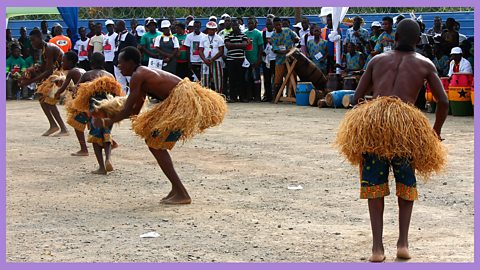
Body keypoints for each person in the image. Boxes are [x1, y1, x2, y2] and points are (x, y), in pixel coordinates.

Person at [336, 19, 448, 263]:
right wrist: (435, 130)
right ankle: (403, 244)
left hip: (374, 126)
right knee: (406, 184)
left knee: (374, 186)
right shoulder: (426, 64)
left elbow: (356, 98)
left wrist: (368, 119)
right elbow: (444, 101)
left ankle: (377, 249)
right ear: (418, 41)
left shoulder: (376, 60)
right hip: (405, 129)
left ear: (394, 37)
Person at [92, 46, 227, 204]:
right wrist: (107, 111)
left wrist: (109, 121)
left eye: (121, 63)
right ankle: (176, 189)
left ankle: (182, 193)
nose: (118, 66)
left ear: (130, 62)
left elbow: (128, 108)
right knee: (154, 143)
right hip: (181, 103)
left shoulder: (138, 74)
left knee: (156, 145)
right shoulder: (141, 76)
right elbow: (135, 110)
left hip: (184, 104)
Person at [69, 53, 120, 174]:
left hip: (94, 110)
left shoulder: (88, 74)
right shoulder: (110, 75)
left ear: (91, 63)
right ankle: (108, 158)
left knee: (96, 137)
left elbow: (76, 90)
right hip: (109, 108)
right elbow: (117, 93)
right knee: (106, 133)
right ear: (103, 63)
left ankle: (102, 167)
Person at [19, 29, 68, 136]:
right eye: (30, 41)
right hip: (56, 74)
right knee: (42, 97)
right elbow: (43, 67)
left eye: (33, 40)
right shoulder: (44, 51)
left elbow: (49, 71)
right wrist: (30, 71)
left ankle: (64, 129)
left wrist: (29, 82)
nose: (32, 44)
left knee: (48, 99)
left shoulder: (49, 48)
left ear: (40, 38)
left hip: (63, 74)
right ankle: (53, 125)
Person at [52, 51, 87, 155]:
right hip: (86, 99)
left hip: (81, 102)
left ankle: (84, 149)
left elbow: (62, 88)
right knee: (95, 124)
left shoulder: (72, 72)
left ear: (71, 62)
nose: (62, 64)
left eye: (64, 61)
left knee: (77, 124)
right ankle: (109, 142)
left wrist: (56, 94)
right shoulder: (82, 70)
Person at [271, 17, 299, 99]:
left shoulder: (288, 30)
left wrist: (296, 39)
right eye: (276, 25)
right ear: (274, 25)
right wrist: (286, 52)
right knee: (277, 80)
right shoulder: (273, 36)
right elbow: (275, 50)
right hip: (280, 60)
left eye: (279, 24)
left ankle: (293, 96)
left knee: (293, 77)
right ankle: (276, 97)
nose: (278, 26)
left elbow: (296, 38)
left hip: (291, 60)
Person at [224, 20, 248, 102]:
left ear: (238, 26)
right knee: (232, 79)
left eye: (236, 26)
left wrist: (233, 45)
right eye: (233, 26)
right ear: (231, 27)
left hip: (240, 59)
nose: (235, 27)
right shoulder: (227, 35)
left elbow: (245, 45)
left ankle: (242, 97)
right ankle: (233, 97)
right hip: (230, 60)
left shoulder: (243, 35)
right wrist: (239, 45)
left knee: (241, 79)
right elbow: (227, 46)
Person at [199, 21, 224, 93]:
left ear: (216, 30)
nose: (211, 31)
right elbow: (200, 50)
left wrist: (212, 59)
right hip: (205, 62)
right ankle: (205, 97)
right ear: (207, 29)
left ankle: (219, 95)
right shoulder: (203, 38)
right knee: (204, 79)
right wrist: (204, 59)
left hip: (216, 61)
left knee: (218, 79)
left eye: (213, 29)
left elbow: (221, 51)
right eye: (210, 29)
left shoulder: (219, 38)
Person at [113, 20, 137, 93]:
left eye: (117, 25)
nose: (115, 27)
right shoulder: (117, 37)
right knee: (120, 84)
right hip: (117, 63)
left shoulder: (130, 37)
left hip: (127, 64)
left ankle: (129, 98)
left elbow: (133, 50)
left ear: (121, 26)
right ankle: (122, 99)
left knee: (131, 82)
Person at [245, 17, 264, 102]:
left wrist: (258, 60)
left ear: (255, 24)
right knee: (247, 79)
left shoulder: (258, 34)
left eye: (252, 23)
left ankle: (257, 97)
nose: (250, 25)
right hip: (246, 61)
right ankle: (249, 96)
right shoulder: (244, 33)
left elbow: (260, 47)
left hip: (255, 60)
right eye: (249, 23)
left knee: (257, 79)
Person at [261, 18, 276, 102]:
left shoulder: (275, 33)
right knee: (267, 79)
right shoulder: (263, 33)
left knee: (276, 78)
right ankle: (268, 96)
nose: (269, 26)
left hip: (275, 58)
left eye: (270, 24)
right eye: (267, 24)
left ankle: (276, 95)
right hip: (266, 59)